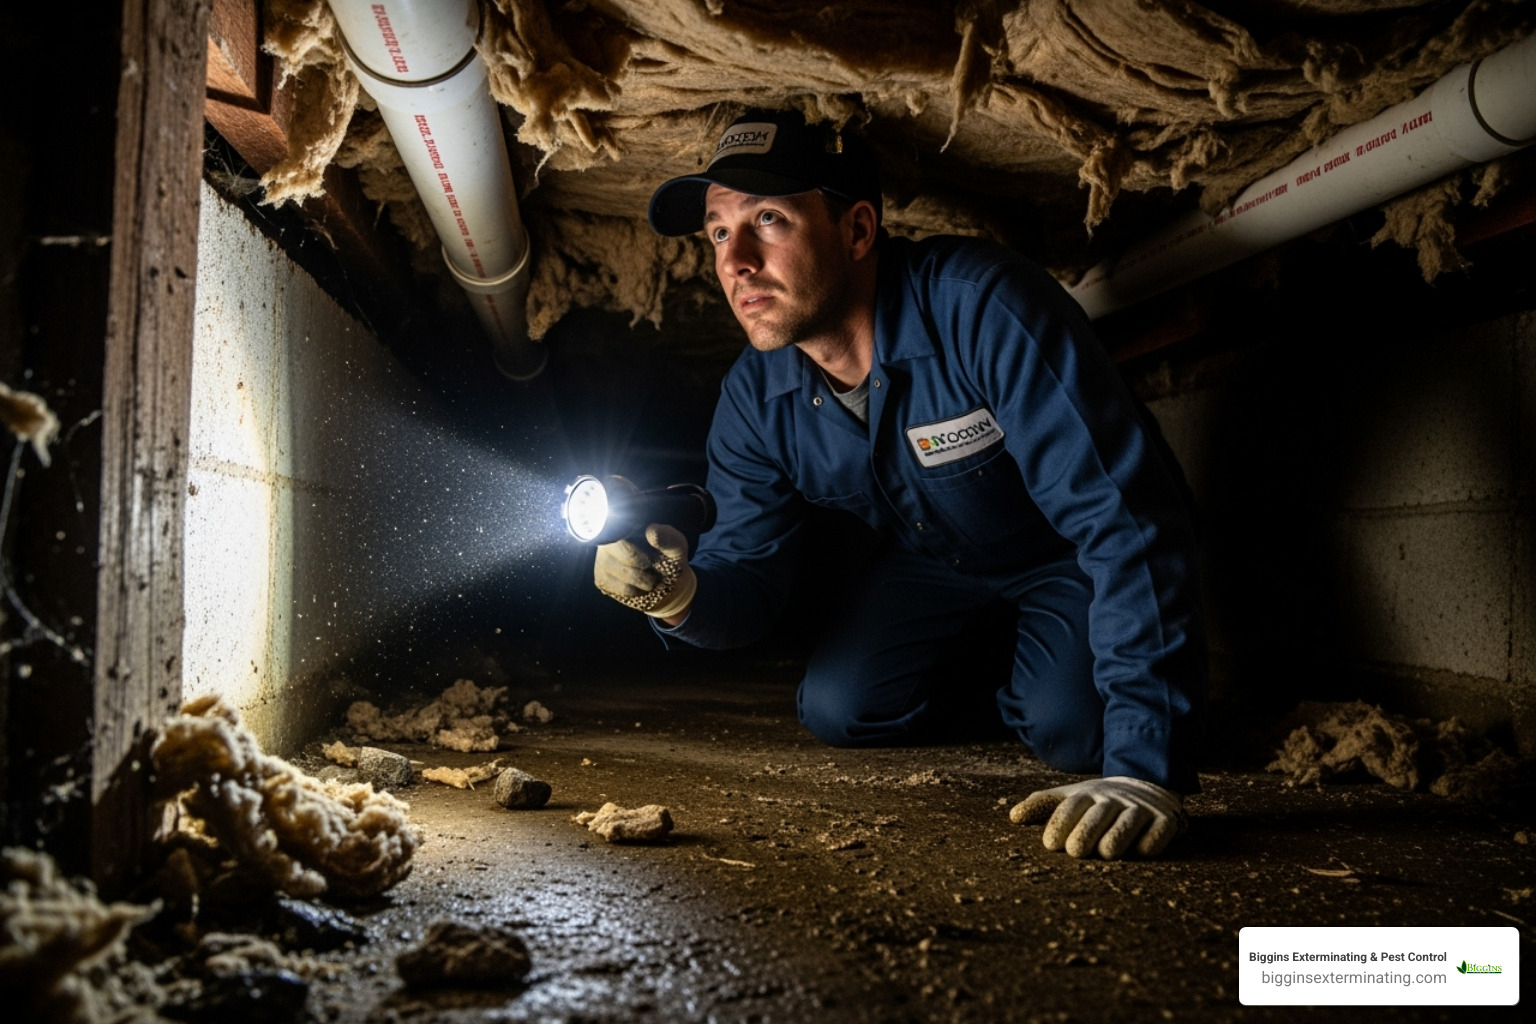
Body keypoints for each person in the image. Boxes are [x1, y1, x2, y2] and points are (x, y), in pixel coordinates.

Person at [594, 109, 1207, 860]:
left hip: (1061, 556)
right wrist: (676, 594)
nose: (737, 261)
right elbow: (749, 573)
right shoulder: (755, 398)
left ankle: (1055, 685)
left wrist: (1144, 767)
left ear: (856, 231)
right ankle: (1021, 671)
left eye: (770, 220)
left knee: (1076, 730)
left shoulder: (985, 308)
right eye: (719, 231)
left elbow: (1123, 518)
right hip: (934, 567)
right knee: (838, 709)